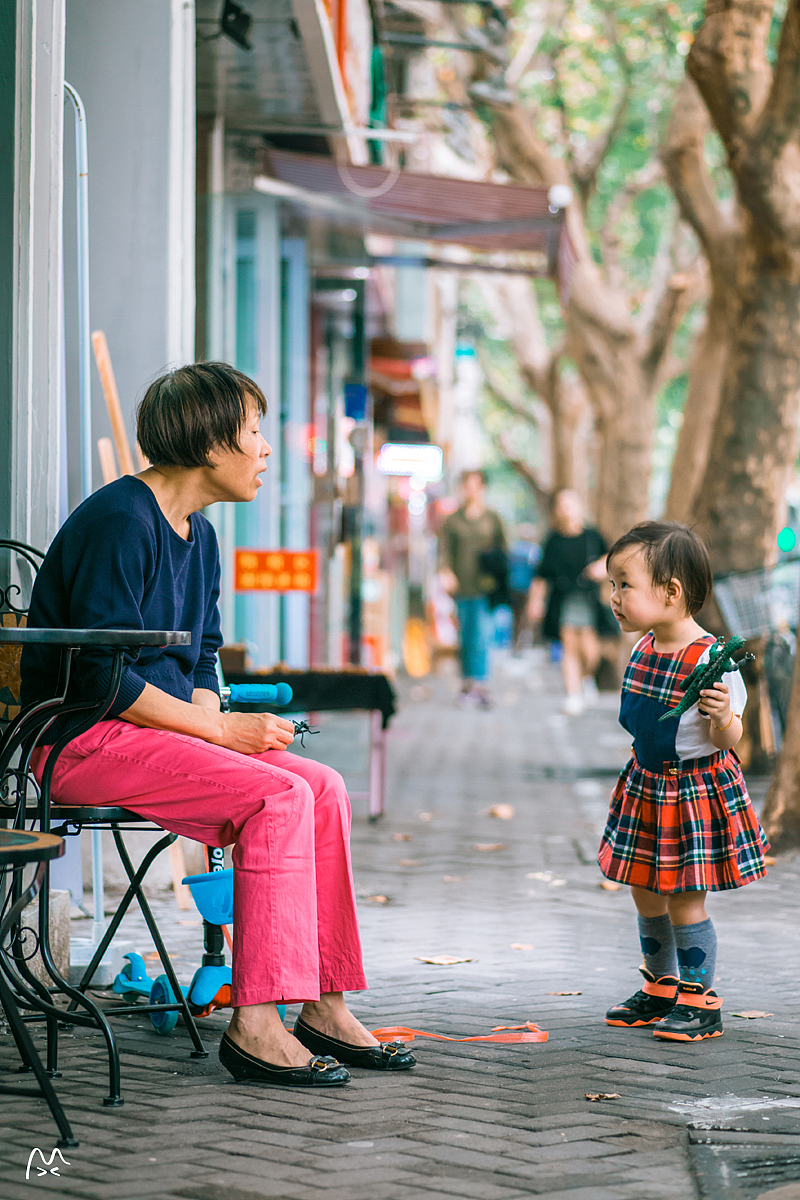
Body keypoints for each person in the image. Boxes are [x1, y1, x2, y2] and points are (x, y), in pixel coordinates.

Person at [21, 362, 415, 1088]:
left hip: (150, 738)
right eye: (255, 432)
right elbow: (103, 678)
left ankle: (323, 1004)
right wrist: (217, 735)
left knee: (322, 786)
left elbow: (203, 653)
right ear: (208, 443)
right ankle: (257, 1023)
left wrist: (214, 717)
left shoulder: (198, 536)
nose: (266, 449)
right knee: (278, 796)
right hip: (76, 743)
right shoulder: (120, 521)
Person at [598, 521, 768, 1042]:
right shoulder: (646, 647)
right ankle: (660, 985)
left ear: (671, 592)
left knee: (684, 899)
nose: (614, 597)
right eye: (613, 585)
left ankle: (700, 1000)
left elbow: (730, 739)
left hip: (692, 794)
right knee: (644, 891)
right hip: (647, 787)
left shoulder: (714, 662)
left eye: (625, 584)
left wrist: (722, 718)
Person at [527, 489, 613, 715]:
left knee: (590, 650)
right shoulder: (552, 540)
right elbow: (542, 574)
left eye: (570, 503)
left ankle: (586, 678)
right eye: (561, 504)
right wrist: (535, 602)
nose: (566, 508)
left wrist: (600, 568)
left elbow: (612, 559)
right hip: (563, 600)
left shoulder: (592, 536)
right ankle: (573, 694)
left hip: (589, 599)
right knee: (570, 648)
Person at [438, 469, 507, 708]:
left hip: (486, 586)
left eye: (476, 485)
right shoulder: (453, 519)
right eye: (467, 485)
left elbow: (503, 551)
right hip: (461, 585)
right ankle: (467, 682)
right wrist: (446, 572)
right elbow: (444, 550)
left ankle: (480, 683)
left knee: (482, 634)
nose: (471, 490)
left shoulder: (492, 518)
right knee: (465, 635)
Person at [507, 523, 541, 651]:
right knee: (526, 616)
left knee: (517, 616)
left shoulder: (514, 549)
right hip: (526, 588)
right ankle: (524, 641)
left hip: (516, 587)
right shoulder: (534, 550)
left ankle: (516, 641)